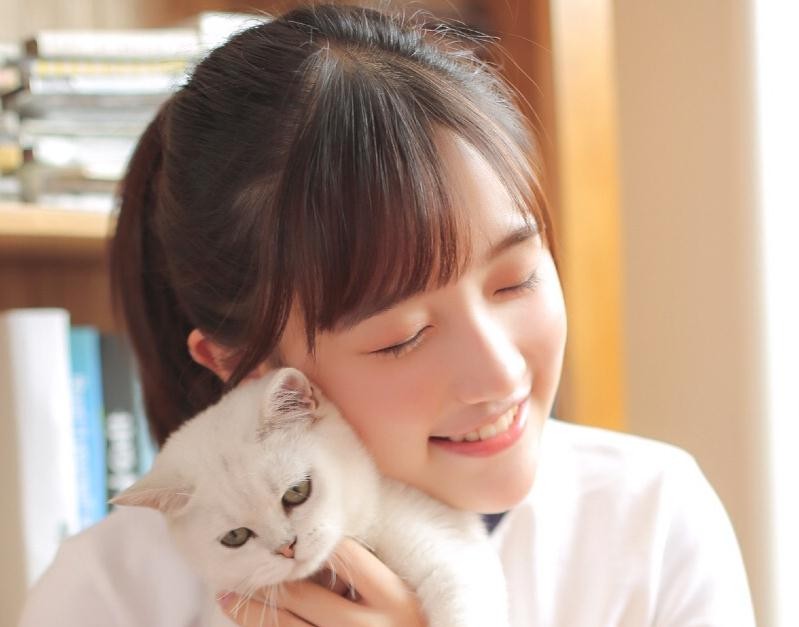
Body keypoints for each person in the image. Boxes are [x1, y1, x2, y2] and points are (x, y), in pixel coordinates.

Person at [19, 4, 756, 626]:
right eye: (402, 338)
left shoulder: (648, 520)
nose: (499, 373)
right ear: (245, 366)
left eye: (515, 281)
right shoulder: (107, 597)